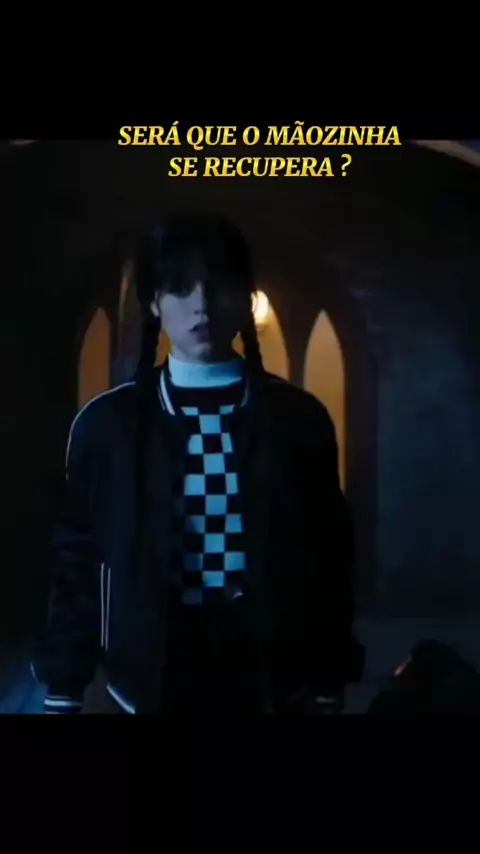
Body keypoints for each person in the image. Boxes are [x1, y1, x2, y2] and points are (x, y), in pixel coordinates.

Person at [32, 212, 364, 715]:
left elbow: (328, 554)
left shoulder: (298, 420)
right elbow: (78, 558)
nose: (202, 305)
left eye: (218, 286)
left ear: (246, 298)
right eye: (181, 288)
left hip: (269, 668)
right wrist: (64, 684)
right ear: (154, 303)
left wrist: (326, 679)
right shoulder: (108, 425)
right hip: (150, 669)